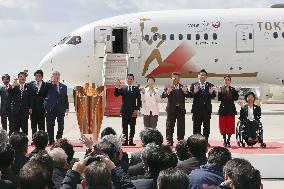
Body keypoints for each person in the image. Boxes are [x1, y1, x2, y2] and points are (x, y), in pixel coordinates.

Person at [161, 72, 190, 146]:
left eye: (177, 78)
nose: (175, 79)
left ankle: (180, 140)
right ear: (171, 78)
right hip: (171, 109)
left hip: (180, 109)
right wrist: (168, 91)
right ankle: (169, 140)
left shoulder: (183, 86)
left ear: (179, 79)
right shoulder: (168, 86)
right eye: (174, 78)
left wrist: (185, 91)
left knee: (181, 125)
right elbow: (163, 96)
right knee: (169, 125)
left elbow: (189, 95)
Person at [114, 73, 141, 146]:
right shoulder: (123, 89)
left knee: (132, 127)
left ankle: (131, 141)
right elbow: (116, 95)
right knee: (124, 127)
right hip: (124, 111)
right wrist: (117, 87)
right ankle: (125, 141)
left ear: (133, 80)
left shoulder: (136, 89)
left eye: (131, 79)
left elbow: (139, 100)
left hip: (133, 111)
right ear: (126, 80)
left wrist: (137, 109)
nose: (129, 80)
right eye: (128, 79)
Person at [189, 69, 216, 142]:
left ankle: (205, 141)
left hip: (206, 110)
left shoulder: (210, 85)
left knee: (206, 128)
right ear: (198, 76)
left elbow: (213, 96)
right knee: (196, 127)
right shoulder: (194, 85)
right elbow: (190, 95)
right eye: (201, 75)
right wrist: (194, 92)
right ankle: (196, 142)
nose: (202, 76)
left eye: (204, 75)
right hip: (197, 110)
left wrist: (211, 93)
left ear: (206, 77)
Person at [44, 71, 69, 145]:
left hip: (61, 109)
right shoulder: (48, 85)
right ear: (52, 77)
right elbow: (44, 93)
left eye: (58, 75)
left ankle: (59, 139)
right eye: (55, 75)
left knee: (61, 125)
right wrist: (50, 82)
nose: (56, 77)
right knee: (50, 125)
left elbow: (65, 97)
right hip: (51, 108)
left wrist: (67, 107)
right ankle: (51, 140)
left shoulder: (64, 86)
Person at [217, 76, 240, 147]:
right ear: (224, 81)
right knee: (223, 126)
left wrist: (236, 92)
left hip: (231, 109)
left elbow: (235, 98)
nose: (227, 81)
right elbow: (219, 99)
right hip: (223, 109)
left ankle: (228, 140)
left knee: (230, 126)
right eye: (225, 80)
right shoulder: (221, 88)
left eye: (228, 80)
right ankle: (224, 140)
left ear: (230, 81)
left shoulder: (233, 89)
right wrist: (219, 92)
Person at [8, 71, 33, 136]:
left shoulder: (28, 87)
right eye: (21, 77)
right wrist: (13, 85)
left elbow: (30, 98)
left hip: (25, 110)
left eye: (24, 77)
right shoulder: (14, 86)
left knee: (24, 126)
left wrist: (30, 107)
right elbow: (9, 92)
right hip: (16, 110)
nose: (22, 78)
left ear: (26, 78)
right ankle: (16, 141)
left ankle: (24, 141)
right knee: (16, 127)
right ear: (18, 78)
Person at [30, 70, 49, 136]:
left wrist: (46, 107)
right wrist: (30, 107)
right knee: (33, 126)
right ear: (35, 77)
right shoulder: (31, 84)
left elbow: (47, 96)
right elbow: (29, 97)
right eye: (36, 76)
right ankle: (34, 139)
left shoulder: (46, 85)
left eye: (39, 76)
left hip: (42, 109)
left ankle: (42, 140)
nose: (38, 77)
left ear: (42, 77)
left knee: (42, 126)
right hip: (33, 110)